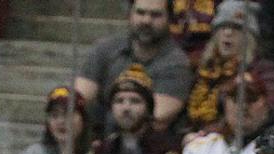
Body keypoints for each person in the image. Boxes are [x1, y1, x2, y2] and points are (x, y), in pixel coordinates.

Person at [73, 0, 191, 130]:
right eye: (140, 13)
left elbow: (157, 117)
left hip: (149, 143)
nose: (146, 21)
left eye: (155, 15)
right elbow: (79, 99)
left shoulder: (177, 63)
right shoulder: (105, 49)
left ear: (169, 19)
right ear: (129, 15)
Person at [180, 1, 270, 130]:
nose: (228, 33)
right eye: (223, 27)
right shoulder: (198, 65)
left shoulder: (262, 70)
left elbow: (270, 112)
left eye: (236, 28)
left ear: (249, 37)